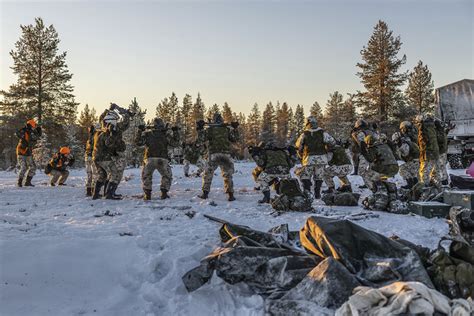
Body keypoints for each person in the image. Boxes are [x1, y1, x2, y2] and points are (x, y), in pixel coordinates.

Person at [197, 113, 240, 201]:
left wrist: (200, 129)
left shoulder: (210, 130)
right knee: (228, 175)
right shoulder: (227, 129)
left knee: (208, 174)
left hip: (213, 154)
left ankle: (205, 193)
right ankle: (230, 195)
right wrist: (235, 129)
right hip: (226, 155)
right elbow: (235, 139)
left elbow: (201, 140)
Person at [135, 118, 180, 200]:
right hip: (162, 159)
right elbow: (175, 143)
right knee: (167, 175)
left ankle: (147, 194)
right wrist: (176, 132)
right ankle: (164, 193)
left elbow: (138, 142)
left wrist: (140, 131)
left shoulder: (148, 134)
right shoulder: (166, 135)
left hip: (150, 158)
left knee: (146, 176)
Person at [295, 116, 336, 199]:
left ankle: (307, 193)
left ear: (307, 123)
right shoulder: (323, 133)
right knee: (319, 176)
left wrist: (300, 155)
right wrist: (328, 150)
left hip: (309, 159)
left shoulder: (304, 134)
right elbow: (332, 142)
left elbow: (298, 145)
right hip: (322, 158)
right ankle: (317, 194)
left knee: (306, 176)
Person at [91, 116, 126, 200]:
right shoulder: (106, 133)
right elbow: (108, 144)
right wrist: (112, 135)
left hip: (96, 157)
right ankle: (109, 194)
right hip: (104, 158)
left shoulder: (99, 132)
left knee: (102, 175)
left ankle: (95, 194)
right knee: (115, 173)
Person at [351, 119, 380, 190]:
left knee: (361, 171)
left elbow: (361, 144)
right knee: (371, 169)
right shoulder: (373, 132)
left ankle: (370, 184)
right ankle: (374, 182)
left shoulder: (361, 133)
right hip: (376, 153)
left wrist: (354, 136)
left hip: (366, 153)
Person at [415, 114, 440, 187]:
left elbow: (424, 142)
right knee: (435, 171)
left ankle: (424, 187)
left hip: (427, 153)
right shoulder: (432, 127)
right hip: (435, 152)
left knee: (424, 171)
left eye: (417, 122)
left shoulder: (423, 127)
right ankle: (437, 186)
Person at [15, 119, 42, 187]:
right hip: (21, 151)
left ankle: (28, 182)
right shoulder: (24, 130)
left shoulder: (33, 132)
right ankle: (19, 182)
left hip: (28, 152)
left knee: (33, 167)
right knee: (24, 167)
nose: (34, 127)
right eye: (33, 126)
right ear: (30, 125)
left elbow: (35, 138)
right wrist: (23, 136)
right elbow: (17, 134)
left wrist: (38, 133)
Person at [434, 118, 449, 185]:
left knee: (440, 166)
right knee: (442, 166)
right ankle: (445, 180)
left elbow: (440, 140)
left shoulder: (438, 131)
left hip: (440, 151)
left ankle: (444, 181)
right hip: (443, 151)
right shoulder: (441, 130)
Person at [84, 125, 96, 196]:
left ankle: (88, 191)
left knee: (89, 175)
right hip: (92, 157)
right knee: (95, 174)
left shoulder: (88, 139)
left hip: (86, 157)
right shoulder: (95, 138)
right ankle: (93, 191)